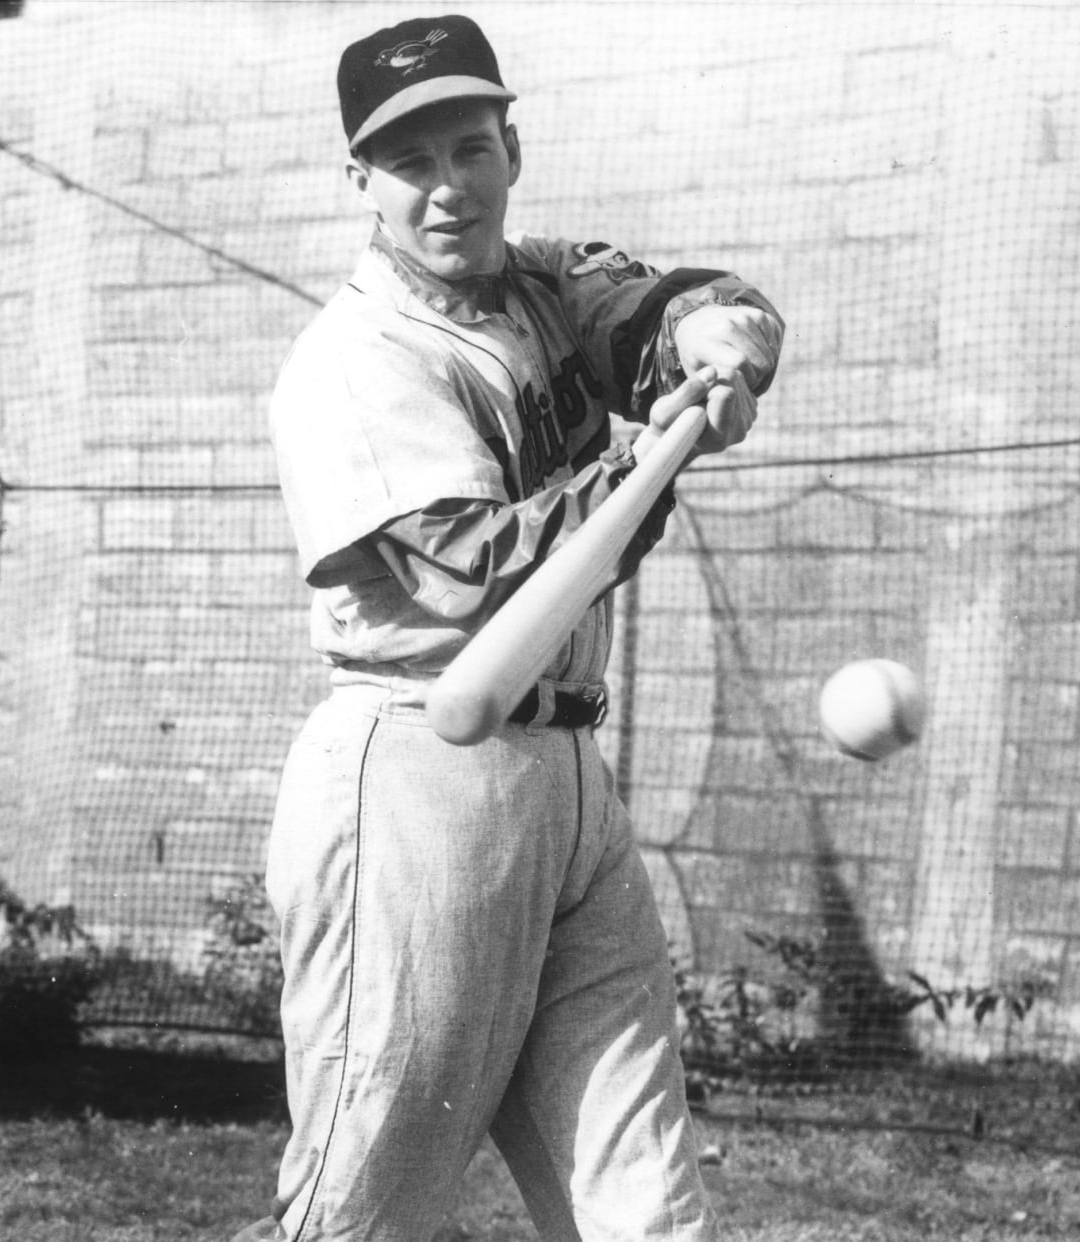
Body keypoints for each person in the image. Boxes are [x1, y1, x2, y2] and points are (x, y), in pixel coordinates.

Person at [241, 15, 784, 1241]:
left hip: (568, 777)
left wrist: (713, 339)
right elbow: (473, 574)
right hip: (419, 779)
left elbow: (647, 307)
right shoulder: (351, 358)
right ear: (362, 184)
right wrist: (648, 458)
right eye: (411, 161)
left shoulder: (541, 282)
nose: (448, 188)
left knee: (646, 1210)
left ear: (512, 151)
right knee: (366, 1209)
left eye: (471, 148)